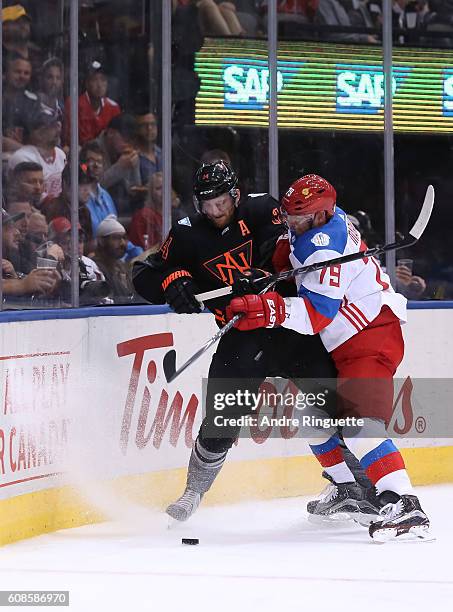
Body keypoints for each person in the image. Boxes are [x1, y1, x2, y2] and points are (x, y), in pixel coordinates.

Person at [228, 173, 431, 541]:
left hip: (370, 335)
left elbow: (315, 315)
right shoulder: (311, 226)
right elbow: (291, 261)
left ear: (322, 216)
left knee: (359, 423)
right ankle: (349, 491)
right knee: (311, 414)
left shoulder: (325, 247)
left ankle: (406, 504)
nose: (291, 223)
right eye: (288, 216)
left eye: (299, 218)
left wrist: (268, 309)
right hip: (346, 339)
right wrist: (267, 277)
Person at [132, 161, 337, 522]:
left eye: (222, 202)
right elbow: (144, 274)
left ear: (236, 195)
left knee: (335, 402)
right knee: (221, 420)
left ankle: (353, 484)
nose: (215, 211)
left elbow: (281, 249)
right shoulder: (185, 234)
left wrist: (261, 274)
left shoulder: (261, 209)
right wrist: (172, 282)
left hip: (290, 327)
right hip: (240, 336)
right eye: (207, 204)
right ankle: (193, 491)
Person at [8, 108, 66, 201]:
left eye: (57, 125)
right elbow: (33, 199)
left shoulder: (60, 154)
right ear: (37, 133)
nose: (58, 129)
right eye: (52, 126)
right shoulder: (23, 157)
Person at [64, 60, 121, 145]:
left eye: (103, 80)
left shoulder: (113, 107)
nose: (99, 85)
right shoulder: (73, 104)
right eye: (94, 80)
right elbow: (69, 140)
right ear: (87, 83)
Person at [93, 216, 138, 304]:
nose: (122, 243)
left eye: (124, 238)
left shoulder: (121, 266)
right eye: (116, 238)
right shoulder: (95, 267)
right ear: (101, 241)